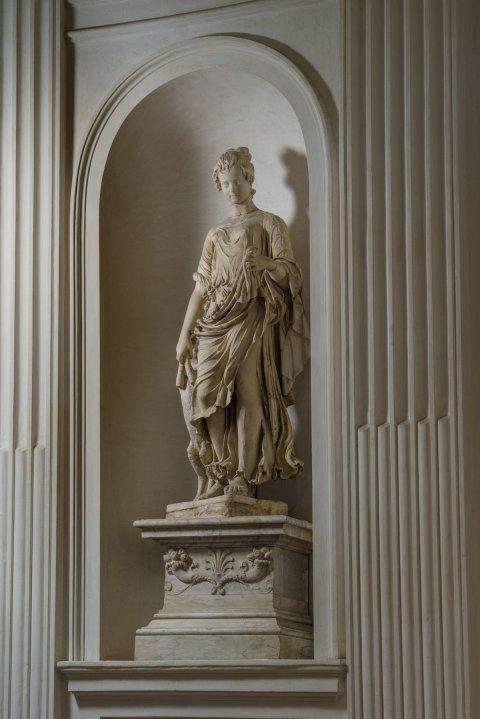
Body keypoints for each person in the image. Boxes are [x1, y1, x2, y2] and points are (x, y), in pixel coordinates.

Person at [176, 147, 309, 500]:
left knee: (248, 389)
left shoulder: (270, 223)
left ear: (250, 180)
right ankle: (221, 467)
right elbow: (200, 287)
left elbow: (290, 276)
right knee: (205, 392)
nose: (233, 188)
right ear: (219, 186)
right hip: (215, 318)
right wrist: (184, 334)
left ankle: (243, 475)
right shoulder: (215, 233)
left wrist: (268, 264)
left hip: (252, 313)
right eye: (226, 183)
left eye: (238, 181)